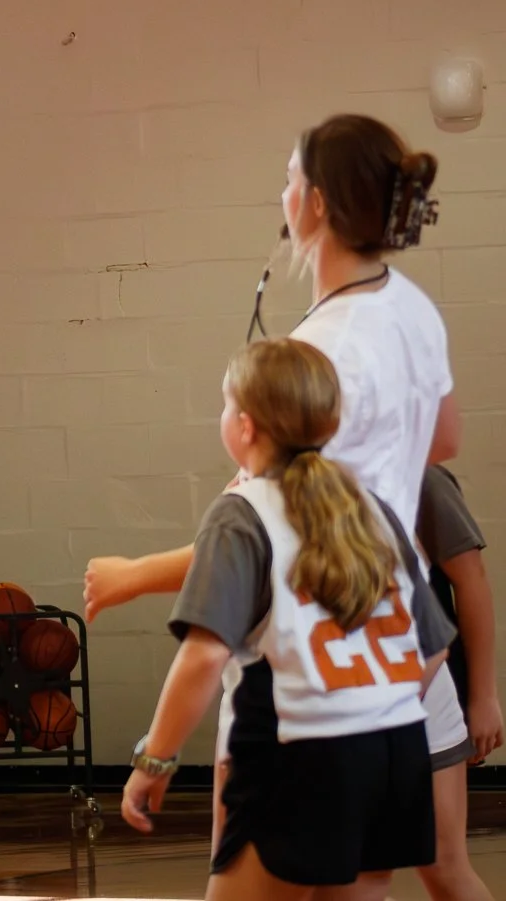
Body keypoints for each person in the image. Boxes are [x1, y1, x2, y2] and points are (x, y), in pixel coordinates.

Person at [84, 116, 456, 858]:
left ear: (316, 203)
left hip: (308, 668)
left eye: (289, 178)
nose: (281, 194)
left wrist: (131, 576)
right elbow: (444, 443)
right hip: (391, 633)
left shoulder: (322, 348)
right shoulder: (414, 305)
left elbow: (260, 538)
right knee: (431, 874)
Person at [121, 338, 449, 901]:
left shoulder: (241, 512)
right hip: (395, 752)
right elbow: (435, 647)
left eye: (225, 404)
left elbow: (203, 655)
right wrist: (366, 708)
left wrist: (155, 757)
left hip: (300, 755)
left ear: (245, 427)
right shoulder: (372, 505)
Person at [410, 464, 500, 901]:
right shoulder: (280, 474)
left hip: (425, 701)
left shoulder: (421, 478)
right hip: (336, 714)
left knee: (444, 863)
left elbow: (471, 581)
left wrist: (482, 696)